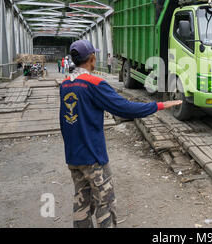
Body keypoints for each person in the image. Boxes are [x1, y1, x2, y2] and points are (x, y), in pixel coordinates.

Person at [59, 39, 182, 228]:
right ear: (92, 58)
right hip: (93, 156)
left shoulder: (65, 84)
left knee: (81, 201)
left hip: (73, 157)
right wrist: (159, 105)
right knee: (105, 203)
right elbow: (125, 108)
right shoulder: (95, 83)